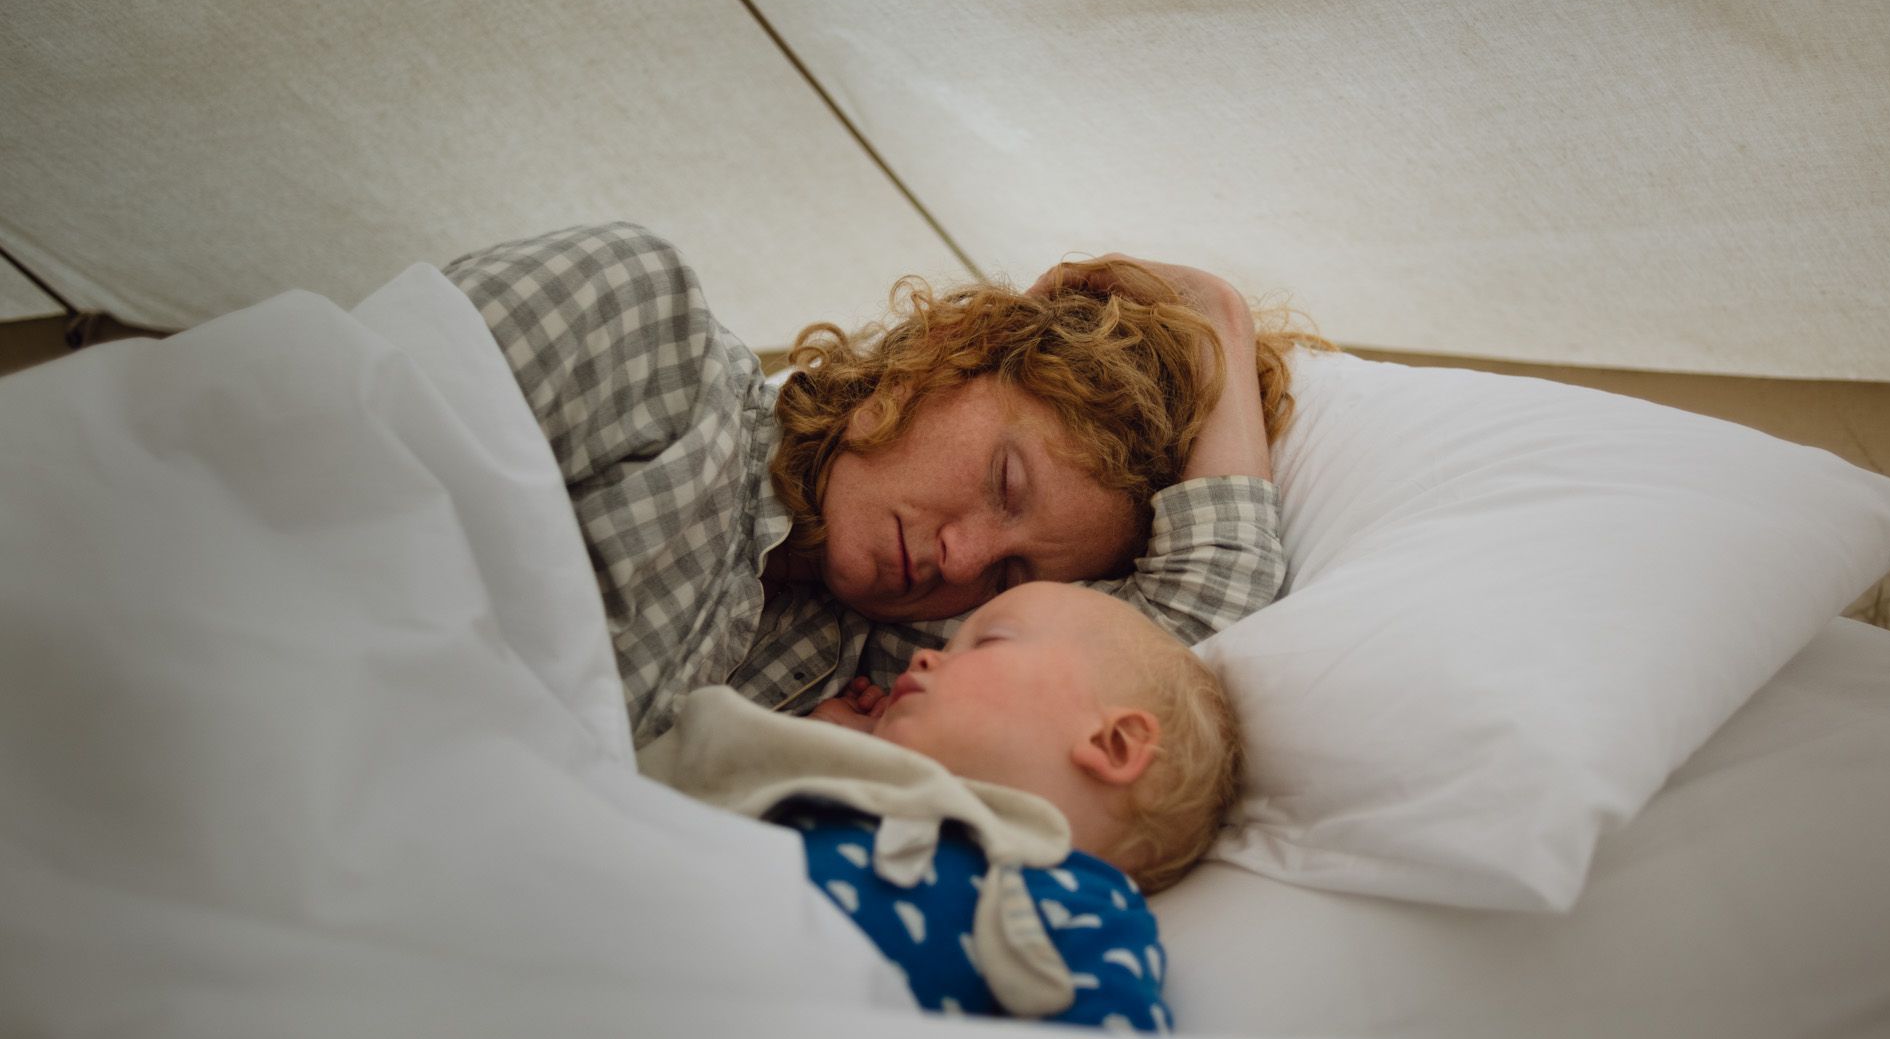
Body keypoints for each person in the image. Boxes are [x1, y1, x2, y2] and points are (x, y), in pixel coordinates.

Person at [445, 222, 1329, 745]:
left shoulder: (878, 667)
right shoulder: (642, 333)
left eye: (1013, 575)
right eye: (1004, 481)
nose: (963, 557)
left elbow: (1191, 631)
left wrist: (1222, 324)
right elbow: (342, 452)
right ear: (944, 358)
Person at [641, 579, 1241, 1031]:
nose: (924, 657)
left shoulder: (1078, 902)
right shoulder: (852, 793)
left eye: (990, 641)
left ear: (1112, 743)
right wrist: (825, 745)